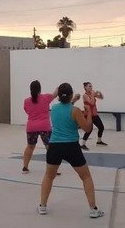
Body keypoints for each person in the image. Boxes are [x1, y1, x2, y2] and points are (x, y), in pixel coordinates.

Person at [38, 83, 104, 218]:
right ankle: (93, 209)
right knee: (86, 176)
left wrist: (73, 100)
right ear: (70, 95)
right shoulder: (75, 111)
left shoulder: (54, 109)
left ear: (59, 96)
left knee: (49, 176)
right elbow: (87, 128)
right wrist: (89, 113)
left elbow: (65, 110)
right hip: (71, 147)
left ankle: (43, 206)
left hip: (55, 146)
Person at [22, 80, 58, 174]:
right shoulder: (46, 97)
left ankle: (25, 167)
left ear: (30, 89)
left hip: (31, 127)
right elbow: (55, 94)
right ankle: (52, 170)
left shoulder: (26, 101)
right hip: (44, 127)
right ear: (40, 89)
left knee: (30, 147)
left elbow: (27, 111)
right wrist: (58, 88)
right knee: (49, 148)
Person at [80, 82, 107, 149]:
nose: (91, 88)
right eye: (89, 86)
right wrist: (93, 95)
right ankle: (83, 144)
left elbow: (101, 98)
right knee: (89, 129)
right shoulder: (85, 95)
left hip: (94, 114)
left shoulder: (92, 93)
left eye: (91, 86)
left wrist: (100, 93)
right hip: (88, 115)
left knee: (101, 127)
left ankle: (99, 141)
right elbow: (91, 103)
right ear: (85, 87)